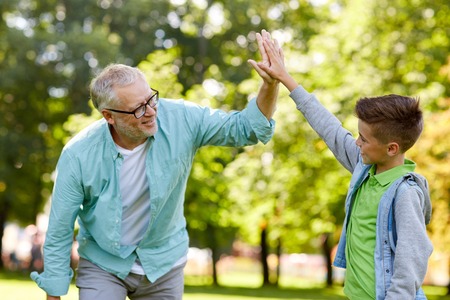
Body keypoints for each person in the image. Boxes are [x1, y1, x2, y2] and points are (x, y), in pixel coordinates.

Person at [31, 30, 279, 300]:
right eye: (138, 108)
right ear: (109, 116)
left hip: (164, 263)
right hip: (104, 263)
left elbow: (246, 129)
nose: (151, 112)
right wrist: (53, 293)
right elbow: (59, 229)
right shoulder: (79, 155)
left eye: (151, 98)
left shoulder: (182, 119)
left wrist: (269, 85)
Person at [249, 33, 433, 299]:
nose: (356, 142)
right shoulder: (365, 169)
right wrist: (286, 78)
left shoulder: (404, 194)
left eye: (364, 138)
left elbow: (412, 259)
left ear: (391, 148)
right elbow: (330, 128)